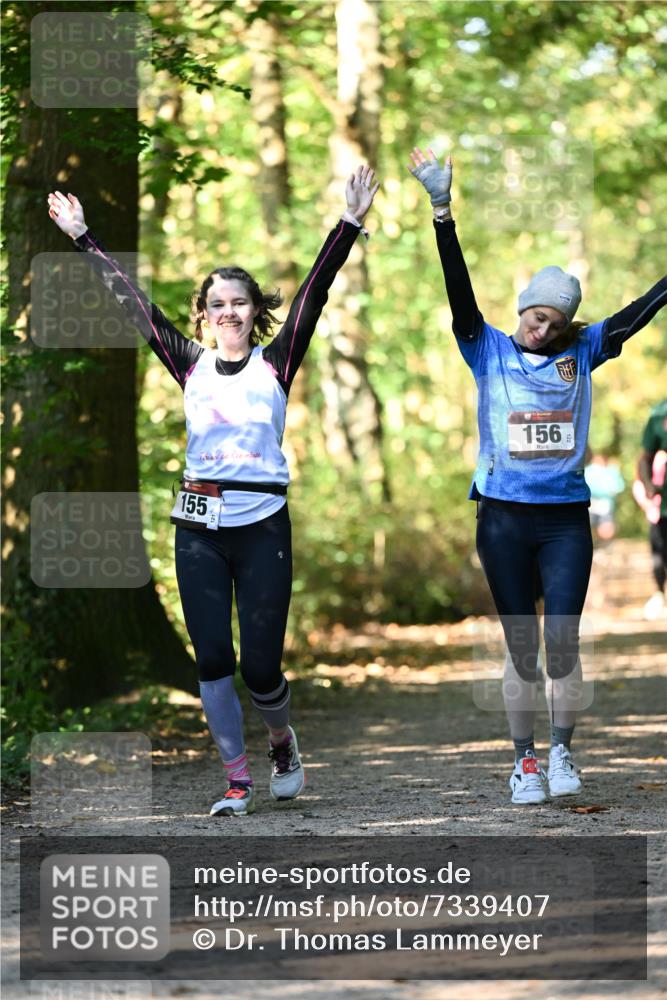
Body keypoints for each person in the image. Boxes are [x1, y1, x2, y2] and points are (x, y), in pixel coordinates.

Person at [47, 165, 379, 817]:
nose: (228, 311)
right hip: (197, 523)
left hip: (262, 526)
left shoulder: (275, 363)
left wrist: (348, 221)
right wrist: (84, 237)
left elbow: (315, 291)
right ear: (204, 313)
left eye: (239, 301)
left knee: (259, 668)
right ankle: (234, 778)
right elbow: (132, 304)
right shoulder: (188, 362)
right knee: (211, 660)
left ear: (255, 312)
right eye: (216, 303)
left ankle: (281, 739)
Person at [408, 146, 667, 805]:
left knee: (561, 641)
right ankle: (522, 762)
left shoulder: (583, 350)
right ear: (519, 309)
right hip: (499, 517)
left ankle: (560, 755)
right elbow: (457, 289)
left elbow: (637, 314)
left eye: (549, 321)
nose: (536, 327)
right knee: (521, 644)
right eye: (531, 314)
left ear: (564, 327)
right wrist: (442, 212)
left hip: (562, 521)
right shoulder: (484, 346)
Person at [636, 400, 667, 620]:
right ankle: (659, 594)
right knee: (659, 556)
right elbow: (644, 458)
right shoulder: (659, 413)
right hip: (663, 507)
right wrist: (648, 485)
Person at [584, 450, 625, 542]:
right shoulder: (588, 470)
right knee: (591, 527)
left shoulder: (610, 471)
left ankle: (603, 544)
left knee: (606, 528)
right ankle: (598, 544)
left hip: (604, 504)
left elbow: (618, 487)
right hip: (593, 503)